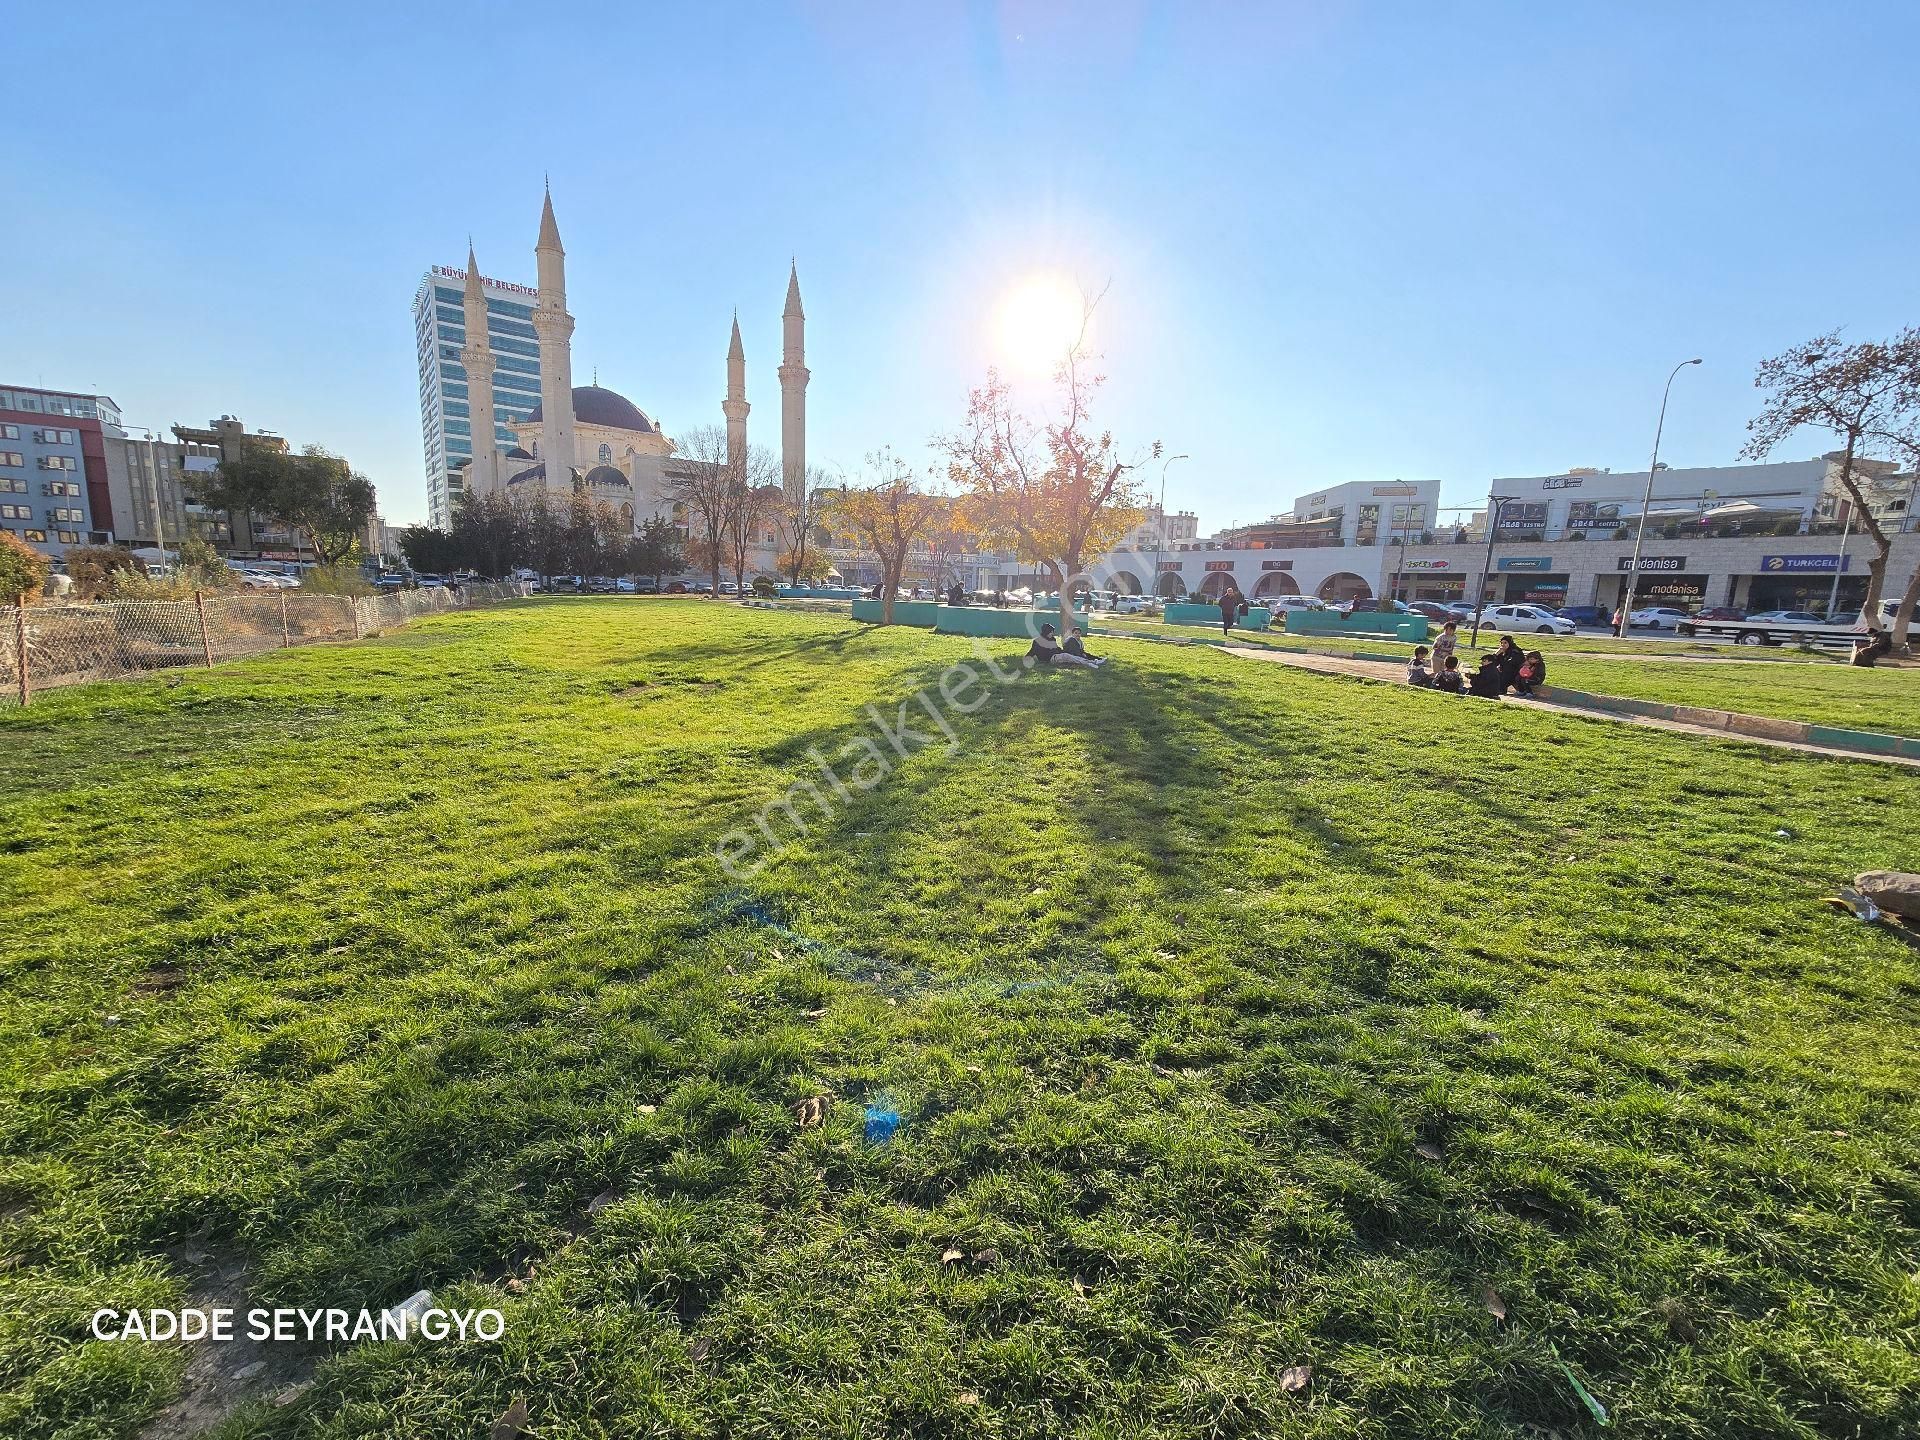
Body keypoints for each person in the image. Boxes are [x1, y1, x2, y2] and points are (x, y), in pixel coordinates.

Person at [1026, 623, 1098, 669]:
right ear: (1046, 632)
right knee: (1067, 656)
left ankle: (1091, 662)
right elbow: (1032, 651)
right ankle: (1089, 663)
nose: (1052, 633)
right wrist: (1027, 658)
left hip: (1056, 656)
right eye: (1051, 632)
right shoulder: (1037, 641)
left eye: (1052, 632)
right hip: (1050, 659)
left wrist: (1062, 652)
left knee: (1070, 656)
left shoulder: (1052, 639)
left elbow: (1057, 648)